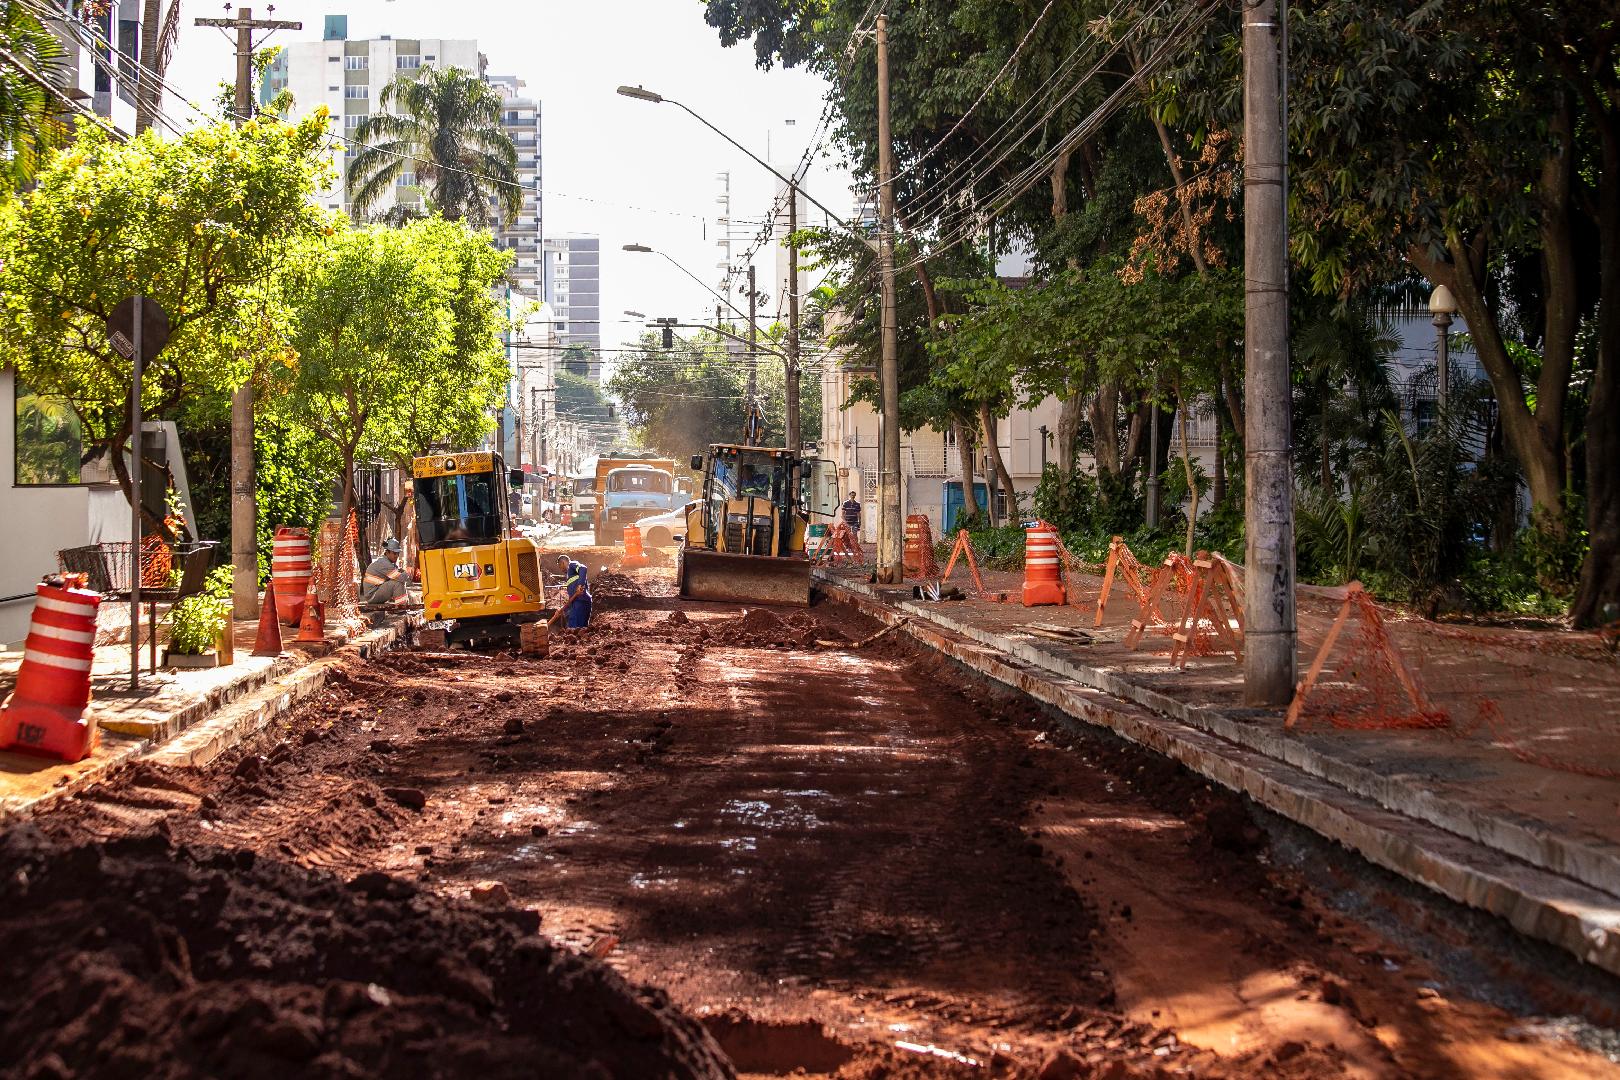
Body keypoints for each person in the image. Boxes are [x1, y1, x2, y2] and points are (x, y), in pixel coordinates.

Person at [361, 538, 407, 606]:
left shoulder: (387, 562)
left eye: (397, 554)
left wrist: (401, 573)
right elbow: (402, 578)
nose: (396, 556)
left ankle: (404, 605)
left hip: (375, 591)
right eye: (394, 553)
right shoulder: (384, 564)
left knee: (398, 581)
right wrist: (405, 572)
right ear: (387, 552)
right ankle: (401, 608)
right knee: (397, 583)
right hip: (372, 595)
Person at [555, 552, 592, 628]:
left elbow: (583, 568)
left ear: (562, 562)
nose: (560, 569)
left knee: (573, 628)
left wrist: (580, 585)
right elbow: (572, 597)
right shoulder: (570, 575)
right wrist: (562, 610)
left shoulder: (572, 564)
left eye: (559, 566)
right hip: (579, 602)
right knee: (581, 629)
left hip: (580, 601)